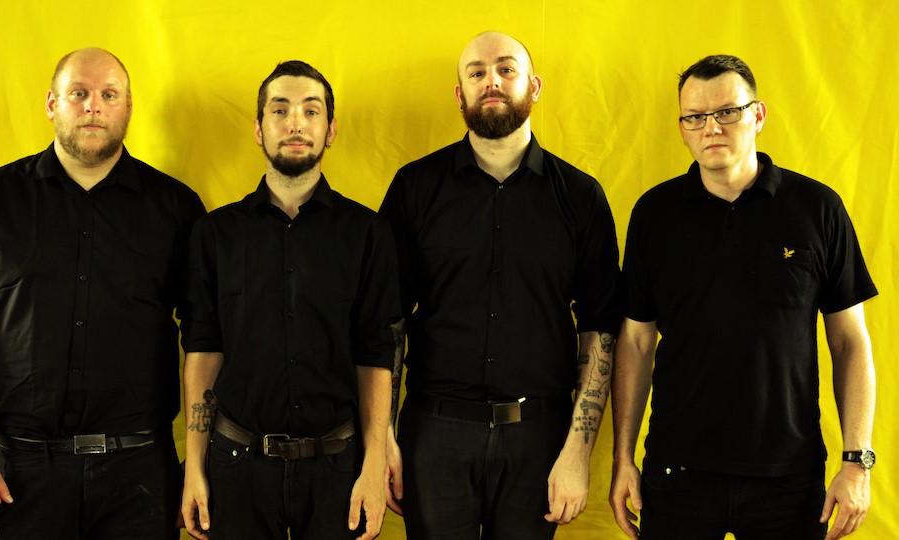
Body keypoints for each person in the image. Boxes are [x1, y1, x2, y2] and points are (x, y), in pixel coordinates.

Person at [0, 47, 205, 538]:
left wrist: (199, 465)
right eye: (79, 93)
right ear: (52, 104)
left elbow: (206, 338)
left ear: (128, 107)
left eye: (109, 95)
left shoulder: (177, 207)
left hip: (141, 472)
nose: (93, 105)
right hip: (24, 475)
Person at [609, 54, 877, 540]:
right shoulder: (654, 214)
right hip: (676, 473)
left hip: (789, 477)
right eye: (695, 117)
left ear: (758, 115)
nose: (711, 127)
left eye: (727, 111)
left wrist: (857, 461)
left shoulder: (817, 209)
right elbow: (635, 342)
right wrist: (622, 457)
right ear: (683, 128)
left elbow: (850, 343)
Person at [379, 31, 624, 539]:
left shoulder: (581, 197)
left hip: (540, 439)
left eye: (506, 69)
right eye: (477, 72)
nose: (491, 81)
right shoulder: (414, 187)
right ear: (460, 94)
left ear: (534, 86)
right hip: (435, 435)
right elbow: (387, 319)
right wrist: (382, 434)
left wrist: (578, 452)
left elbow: (600, 330)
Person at [179, 60, 400, 540]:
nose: (295, 123)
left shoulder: (368, 234)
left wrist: (374, 463)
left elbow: (375, 354)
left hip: (338, 467)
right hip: (236, 465)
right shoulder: (215, 234)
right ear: (259, 129)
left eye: (310, 111)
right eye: (279, 110)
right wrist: (194, 466)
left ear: (330, 130)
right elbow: (202, 350)